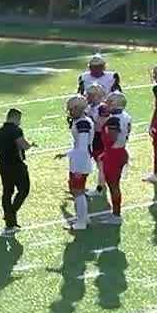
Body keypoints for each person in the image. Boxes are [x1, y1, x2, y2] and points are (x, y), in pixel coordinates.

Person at [58, 94, 94, 230]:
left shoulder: (83, 123)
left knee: (78, 191)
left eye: (72, 109)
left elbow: (83, 147)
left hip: (80, 161)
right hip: (79, 159)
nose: (70, 112)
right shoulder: (81, 121)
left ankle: (81, 221)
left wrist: (68, 154)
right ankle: (84, 217)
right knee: (77, 191)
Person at [0, 109, 34, 231]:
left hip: (3, 164)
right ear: (16, 118)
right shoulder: (16, 130)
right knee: (24, 189)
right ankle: (11, 213)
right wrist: (30, 145)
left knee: (7, 191)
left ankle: (10, 220)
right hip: (16, 164)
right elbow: (22, 144)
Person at [101, 91, 132, 225]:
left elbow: (111, 139)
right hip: (121, 150)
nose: (106, 105)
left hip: (113, 154)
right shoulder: (125, 116)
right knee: (114, 184)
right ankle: (115, 212)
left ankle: (116, 214)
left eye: (109, 102)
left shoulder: (114, 119)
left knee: (113, 185)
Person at [83, 83, 109, 197]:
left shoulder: (102, 108)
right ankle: (103, 183)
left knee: (101, 163)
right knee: (99, 163)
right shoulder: (91, 107)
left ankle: (100, 188)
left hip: (100, 137)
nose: (87, 98)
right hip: (94, 137)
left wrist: (89, 120)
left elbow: (102, 124)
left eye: (89, 95)